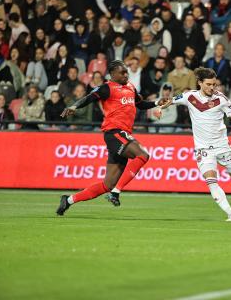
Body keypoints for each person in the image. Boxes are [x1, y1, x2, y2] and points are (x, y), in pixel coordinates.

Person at [56, 60, 163, 215]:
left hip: (123, 135)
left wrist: (157, 102)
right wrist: (74, 106)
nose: (126, 74)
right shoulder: (107, 88)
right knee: (143, 155)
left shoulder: (131, 87)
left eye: (126, 72)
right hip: (114, 133)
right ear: (113, 74)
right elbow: (90, 97)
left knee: (107, 184)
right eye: (122, 72)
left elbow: (140, 104)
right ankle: (116, 192)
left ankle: (69, 200)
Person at [159, 67, 231, 221]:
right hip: (203, 149)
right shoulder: (189, 96)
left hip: (222, 145)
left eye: (214, 84)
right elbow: (171, 101)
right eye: (209, 84)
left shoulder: (221, 98)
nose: (212, 88)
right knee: (211, 181)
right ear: (200, 83)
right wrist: (159, 108)